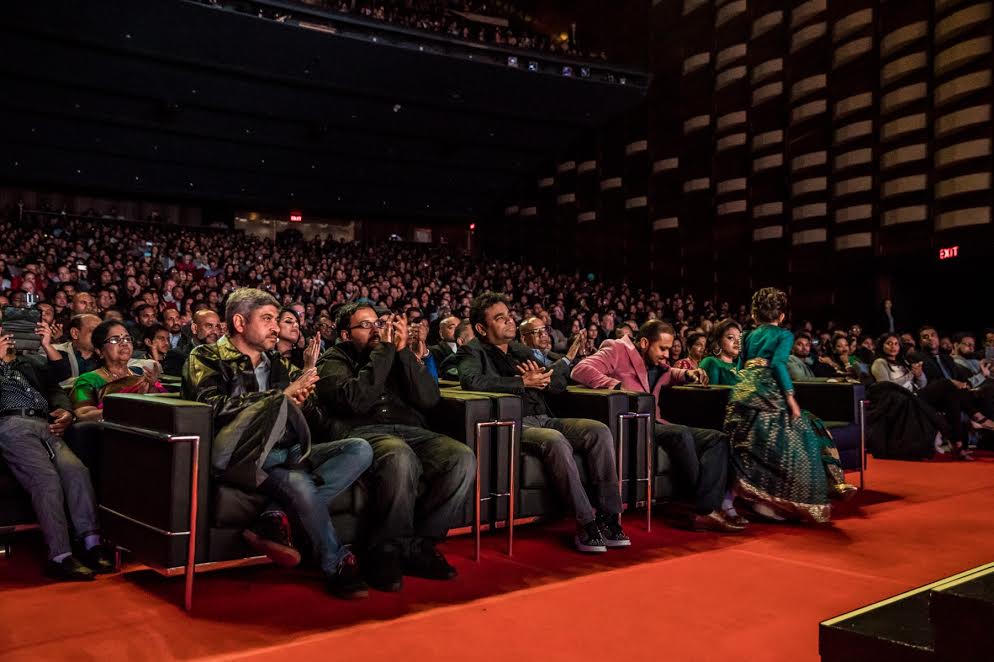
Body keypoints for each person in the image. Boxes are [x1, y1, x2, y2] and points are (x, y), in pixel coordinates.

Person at [184, 288, 373, 598]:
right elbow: (211, 407)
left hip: (286, 450)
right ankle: (335, 563)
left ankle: (274, 514)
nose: (275, 327)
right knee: (298, 481)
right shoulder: (206, 356)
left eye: (276, 320)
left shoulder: (275, 362)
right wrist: (279, 398)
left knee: (359, 449)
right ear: (240, 323)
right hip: (243, 454)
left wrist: (303, 399)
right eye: (267, 319)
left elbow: (305, 416)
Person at [316, 302, 475, 592]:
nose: (376, 330)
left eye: (378, 323)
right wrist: (385, 352)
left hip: (411, 430)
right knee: (399, 455)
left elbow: (429, 398)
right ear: (345, 335)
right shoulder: (334, 358)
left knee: (460, 457)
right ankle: (384, 549)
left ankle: (419, 545)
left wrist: (402, 354)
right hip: (363, 433)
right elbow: (354, 401)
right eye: (365, 325)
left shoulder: (397, 354)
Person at [457, 292, 628, 553]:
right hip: (514, 424)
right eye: (500, 318)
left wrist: (546, 379)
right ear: (481, 328)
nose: (510, 321)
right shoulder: (473, 351)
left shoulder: (519, 350)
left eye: (509, 315)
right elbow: (471, 381)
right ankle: (586, 522)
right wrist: (522, 382)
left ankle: (609, 516)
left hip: (546, 418)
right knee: (555, 440)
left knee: (598, 430)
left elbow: (557, 383)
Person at [572, 320, 745, 533]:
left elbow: (668, 372)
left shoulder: (656, 362)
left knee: (717, 439)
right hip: (632, 424)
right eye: (662, 348)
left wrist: (687, 374)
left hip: (656, 423)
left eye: (669, 349)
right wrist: (616, 386)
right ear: (645, 343)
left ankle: (704, 508)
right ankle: (704, 508)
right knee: (680, 433)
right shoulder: (617, 348)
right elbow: (581, 369)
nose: (667, 354)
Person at [723, 288, 856, 523]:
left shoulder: (747, 336)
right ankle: (778, 500)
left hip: (743, 392)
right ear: (782, 316)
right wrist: (791, 398)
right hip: (769, 393)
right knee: (795, 444)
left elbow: (741, 368)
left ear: (754, 315)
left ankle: (743, 501)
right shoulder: (783, 335)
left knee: (748, 447)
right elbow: (778, 365)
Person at [0, 325, 115, 580]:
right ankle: (60, 556)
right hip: (10, 424)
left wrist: (66, 412)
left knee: (77, 471)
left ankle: (91, 543)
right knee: (46, 479)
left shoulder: (29, 361)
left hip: (47, 423)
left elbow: (56, 386)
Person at [70, 320, 168, 423]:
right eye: (114, 340)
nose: (124, 343)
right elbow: (83, 415)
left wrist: (152, 388)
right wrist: (128, 407)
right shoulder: (88, 381)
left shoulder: (142, 378)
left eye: (127, 339)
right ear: (99, 351)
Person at [866, 333, 941, 460]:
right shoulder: (880, 362)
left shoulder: (904, 363)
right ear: (882, 346)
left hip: (911, 395)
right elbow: (886, 385)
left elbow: (921, 385)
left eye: (896, 344)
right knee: (913, 402)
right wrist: (910, 375)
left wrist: (919, 374)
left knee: (943, 386)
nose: (893, 347)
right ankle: (944, 433)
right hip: (893, 400)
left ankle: (947, 437)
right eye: (889, 343)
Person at [43, 313, 102, 388]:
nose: (100, 336)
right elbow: (58, 384)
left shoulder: (106, 356)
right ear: (75, 333)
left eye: (102, 332)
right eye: (93, 331)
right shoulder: (53, 352)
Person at [161, 308, 222, 376]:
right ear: (194, 328)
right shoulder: (177, 356)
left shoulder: (224, 354)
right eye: (209, 326)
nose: (214, 331)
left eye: (217, 327)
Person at [518, 316, 585, 369]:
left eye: (544, 329)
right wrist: (568, 358)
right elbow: (548, 374)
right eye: (536, 331)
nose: (543, 334)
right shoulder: (522, 360)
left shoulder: (549, 354)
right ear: (524, 339)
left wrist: (581, 351)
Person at [699, 319, 741, 386]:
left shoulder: (739, 365)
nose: (737, 342)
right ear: (718, 341)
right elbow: (710, 391)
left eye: (739, 338)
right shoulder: (711, 362)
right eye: (730, 337)